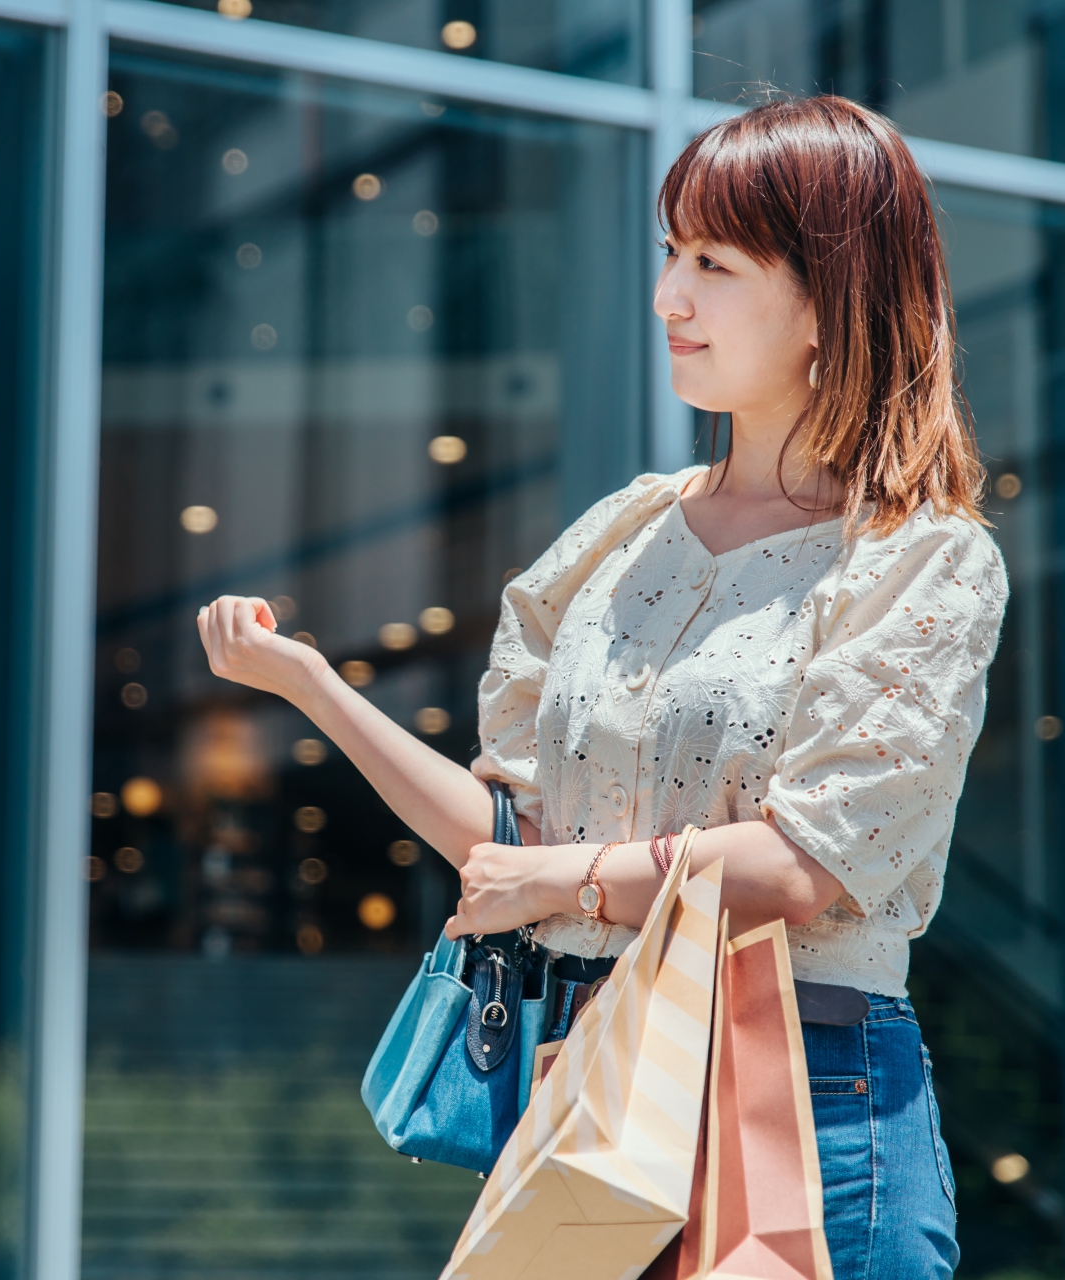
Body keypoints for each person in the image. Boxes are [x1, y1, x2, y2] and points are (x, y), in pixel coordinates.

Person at [196, 94, 1006, 1279]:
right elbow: (509, 838)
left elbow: (800, 864)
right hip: (587, 1085)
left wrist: (551, 879)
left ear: (835, 293)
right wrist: (313, 687)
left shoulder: (915, 557)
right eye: (671, 252)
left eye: (716, 263)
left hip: (805, 1095)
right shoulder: (621, 531)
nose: (671, 294)